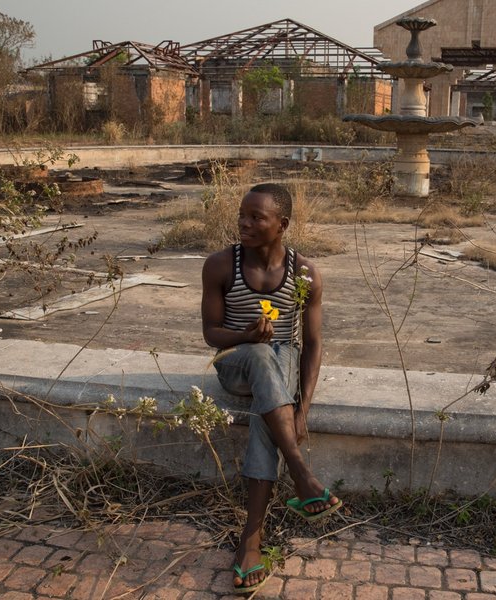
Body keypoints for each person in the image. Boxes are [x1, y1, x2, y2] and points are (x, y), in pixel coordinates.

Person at [201, 182, 342, 594]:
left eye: (255, 217)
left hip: (281, 365)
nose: (243, 223)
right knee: (262, 355)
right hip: (236, 360)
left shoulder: (304, 273)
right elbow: (211, 333)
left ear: (282, 225)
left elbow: (312, 344)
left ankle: (251, 541)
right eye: (241, 215)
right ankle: (300, 472)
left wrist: (303, 410)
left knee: (270, 402)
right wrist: (245, 335)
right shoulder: (221, 265)